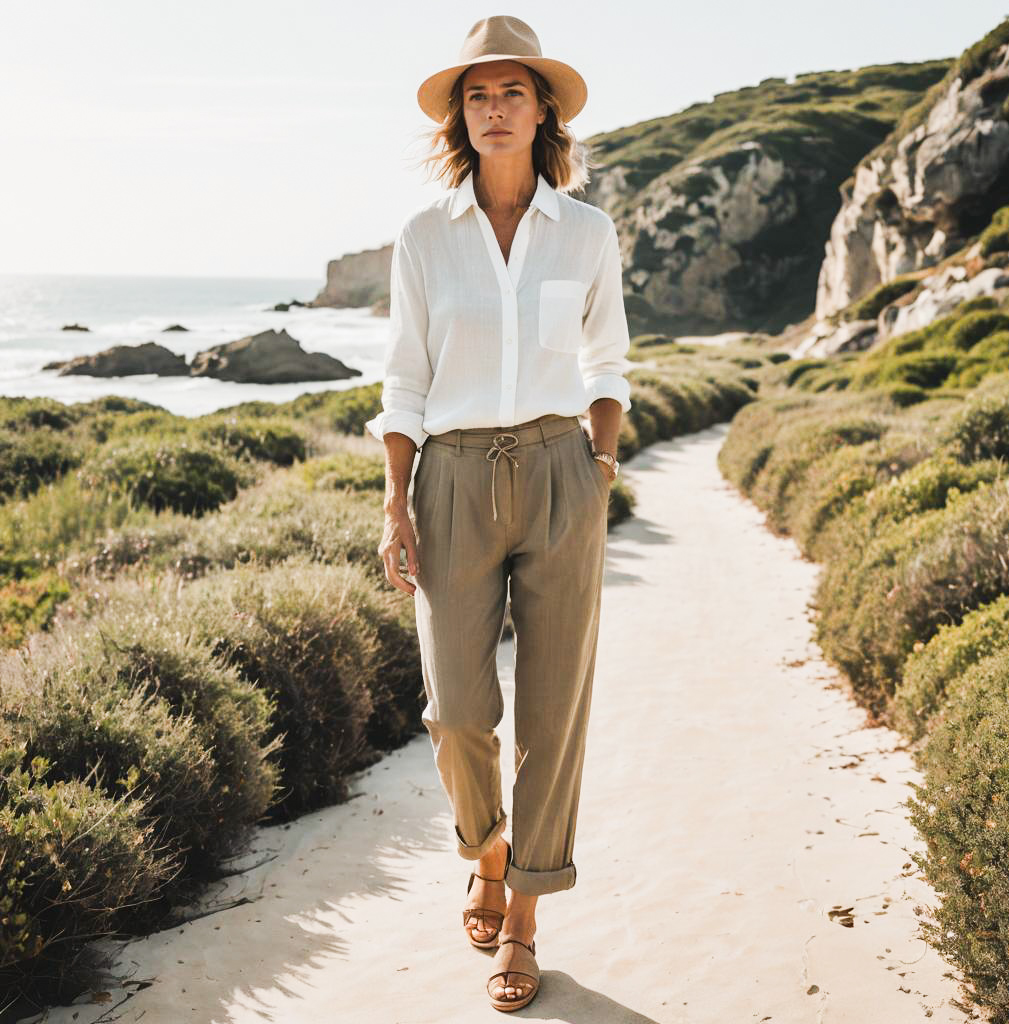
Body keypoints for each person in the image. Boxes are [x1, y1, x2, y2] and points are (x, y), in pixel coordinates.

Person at [364, 14, 632, 1013]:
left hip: (563, 468)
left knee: (553, 712)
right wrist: (396, 500)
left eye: (512, 91)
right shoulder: (424, 237)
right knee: (457, 712)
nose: (494, 109)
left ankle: (523, 916)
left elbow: (609, 361)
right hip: (452, 479)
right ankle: (488, 846)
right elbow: (404, 379)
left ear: (542, 109)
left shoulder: (589, 232)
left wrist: (597, 465)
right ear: (459, 118)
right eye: (477, 95)